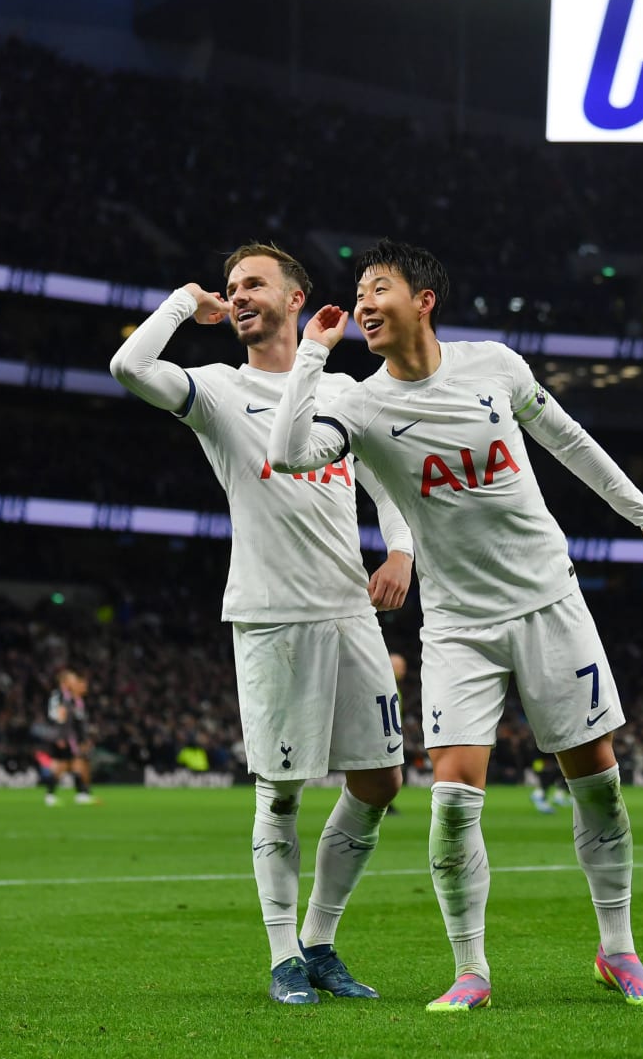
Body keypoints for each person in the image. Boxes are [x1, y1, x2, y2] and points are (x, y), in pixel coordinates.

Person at [269, 238, 643, 1010]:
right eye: (357, 292)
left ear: (424, 300)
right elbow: (290, 452)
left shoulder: (495, 365)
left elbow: (567, 440)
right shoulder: (355, 402)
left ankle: (619, 952)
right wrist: (312, 357)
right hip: (458, 627)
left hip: (550, 604)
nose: (362, 303)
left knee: (599, 788)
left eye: (379, 288)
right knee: (453, 800)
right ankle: (472, 971)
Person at [109, 241, 416, 1003]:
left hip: (349, 609)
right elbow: (129, 369)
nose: (238, 294)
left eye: (254, 284)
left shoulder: (341, 389)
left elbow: (388, 486)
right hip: (273, 617)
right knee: (280, 793)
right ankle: (284, 956)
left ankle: (320, 940)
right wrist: (186, 301)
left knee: (380, 781)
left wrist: (401, 552)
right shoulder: (216, 388)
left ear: (295, 300)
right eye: (230, 286)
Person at [36, 669, 97, 806]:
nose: (75, 682)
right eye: (72, 679)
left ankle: (80, 793)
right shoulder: (59, 696)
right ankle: (53, 795)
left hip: (67, 736)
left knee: (73, 764)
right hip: (62, 736)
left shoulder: (68, 697)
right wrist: (59, 736)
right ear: (65, 681)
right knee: (64, 765)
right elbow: (56, 717)